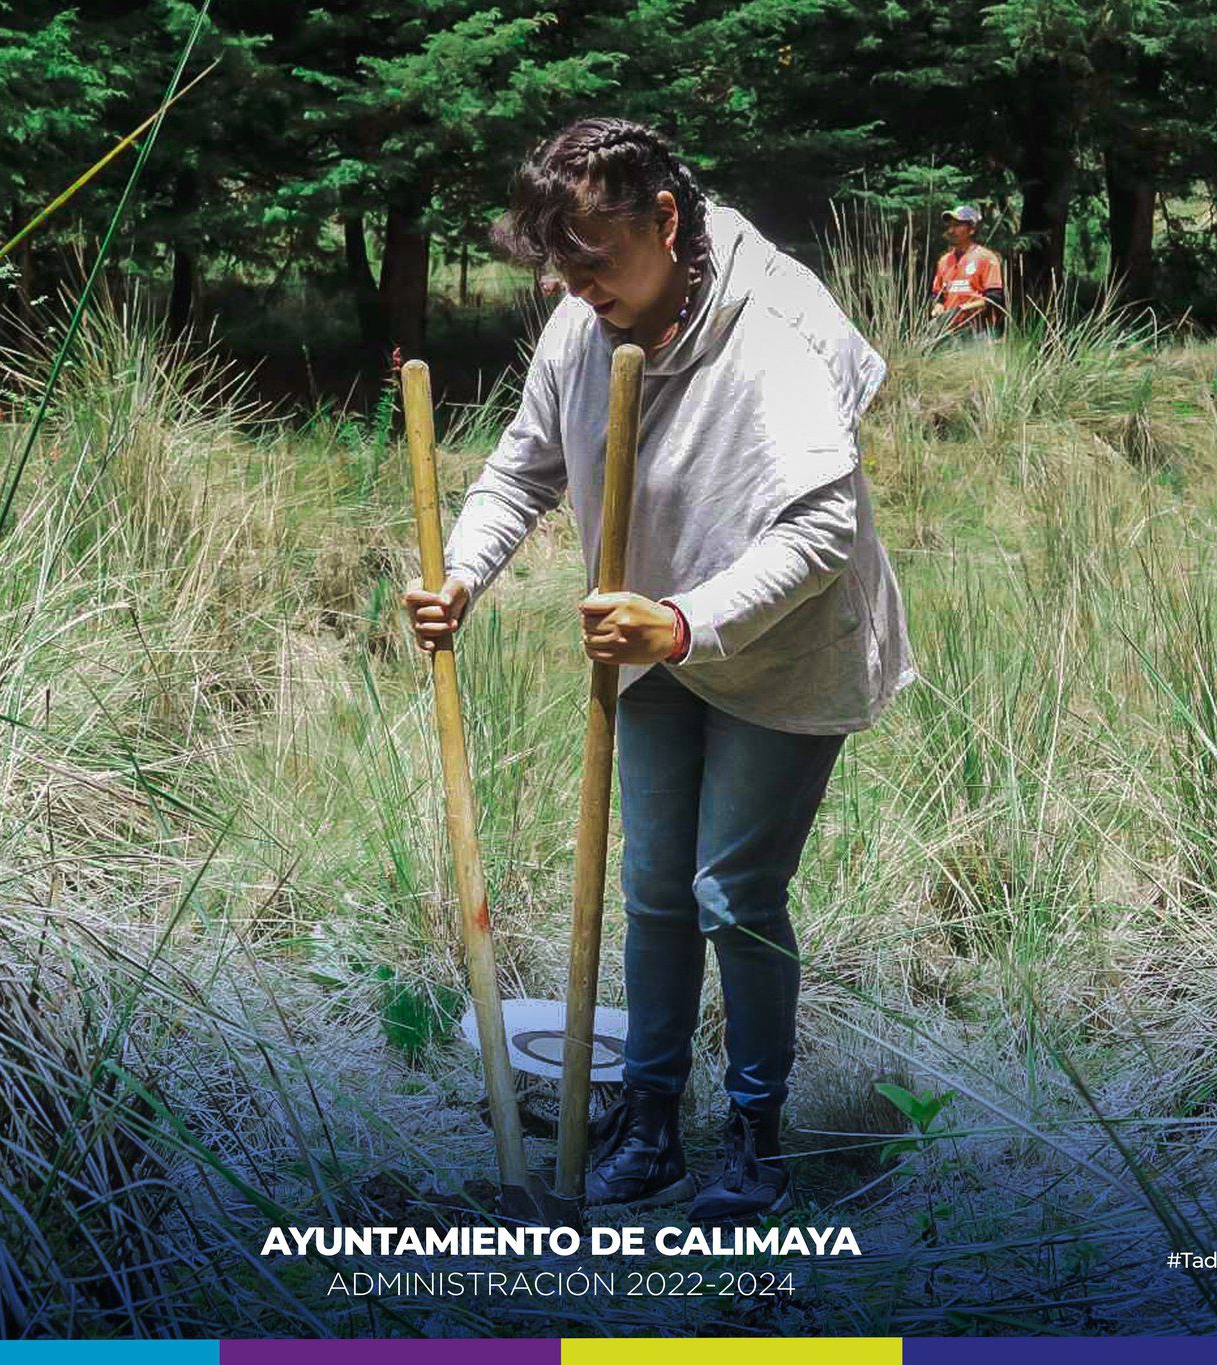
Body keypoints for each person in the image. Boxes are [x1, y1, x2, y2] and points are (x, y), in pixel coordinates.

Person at [401, 117, 915, 1224]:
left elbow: (819, 529)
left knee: (732, 893)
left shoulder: (775, 322)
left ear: (665, 220)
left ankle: (753, 1141)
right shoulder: (586, 321)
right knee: (650, 890)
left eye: (592, 260)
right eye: (559, 267)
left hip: (778, 646)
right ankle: (647, 1125)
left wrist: (682, 624)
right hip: (648, 637)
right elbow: (519, 471)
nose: (576, 288)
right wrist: (459, 580)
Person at [929, 205, 1006, 337]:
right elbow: (937, 295)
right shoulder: (944, 261)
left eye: (957, 225)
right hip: (949, 332)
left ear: (972, 229)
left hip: (980, 332)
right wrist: (938, 306)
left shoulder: (986, 258)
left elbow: (994, 298)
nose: (951, 230)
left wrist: (963, 309)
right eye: (950, 226)